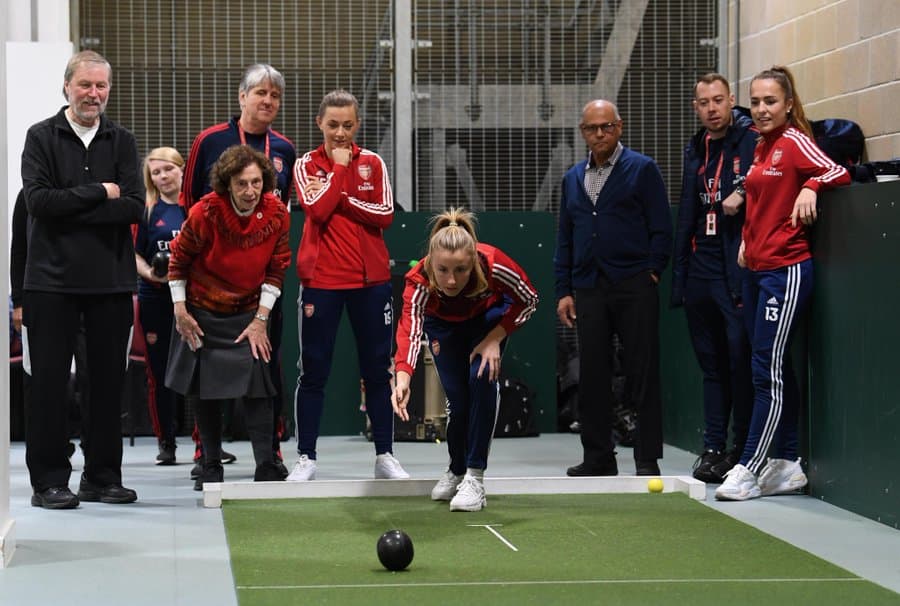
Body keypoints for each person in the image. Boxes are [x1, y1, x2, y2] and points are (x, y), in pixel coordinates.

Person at [715, 66, 850, 501]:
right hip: (756, 269)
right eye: (755, 101)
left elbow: (838, 171)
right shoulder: (760, 145)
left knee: (765, 371)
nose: (761, 109)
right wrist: (748, 240)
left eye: (770, 101)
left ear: (788, 104)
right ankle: (788, 463)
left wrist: (812, 185)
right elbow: (760, 201)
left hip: (785, 271)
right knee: (772, 367)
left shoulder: (793, 141)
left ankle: (749, 467)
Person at [20, 50, 144, 508]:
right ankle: (49, 482)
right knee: (49, 387)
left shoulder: (122, 141)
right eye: (85, 85)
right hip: (49, 285)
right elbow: (38, 203)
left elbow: (134, 207)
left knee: (107, 386)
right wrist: (99, 193)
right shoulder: (40, 137)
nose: (94, 94)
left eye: (101, 86)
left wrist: (72, 204)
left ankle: (102, 477)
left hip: (110, 284)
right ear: (67, 86)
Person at [288, 89, 408, 481]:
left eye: (348, 125)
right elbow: (316, 209)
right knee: (313, 371)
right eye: (333, 125)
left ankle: (385, 455)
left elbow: (385, 214)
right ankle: (306, 457)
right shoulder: (306, 164)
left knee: (377, 371)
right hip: (321, 282)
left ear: (357, 125)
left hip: (370, 282)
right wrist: (340, 175)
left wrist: (340, 196)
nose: (341, 133)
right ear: (319, 124)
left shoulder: (373, 161)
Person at [183, 63, 297, 477]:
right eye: (260, 93)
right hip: (209, 286)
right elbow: (189, 203)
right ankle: (205, 454)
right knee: (205, 372)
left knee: (265, 365)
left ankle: (270, 453)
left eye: (275, 95)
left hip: (261, 286)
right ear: (242, 96)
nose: (268, 101)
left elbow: (281, 210)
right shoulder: (210, 140)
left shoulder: (283, 148)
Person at [555, 99, 673, 477]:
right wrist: (564, 290)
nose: (600, 134)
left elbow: (661, 227)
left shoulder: (642, 169)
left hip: (634, 284)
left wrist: (653, 271)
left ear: (619, 127)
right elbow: (565, 239)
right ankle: (598, 457)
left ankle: (646, 458)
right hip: (588, 288)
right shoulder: (573, 179)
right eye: (592, 128)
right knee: (592, 374)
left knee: (642, 371)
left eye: (607, 126)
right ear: (583, 132)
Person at [391, 208, 539, 511]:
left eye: (461, 270)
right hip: (443, 327)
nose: (450, 280)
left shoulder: (494, 263)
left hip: (486, 323)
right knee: (458, 402)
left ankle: (475, 477)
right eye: (443, 269)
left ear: (473, 262)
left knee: (481, 379)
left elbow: (529, 300)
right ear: (431, 262)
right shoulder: (419, 280)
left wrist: (495, 337)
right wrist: (403, 377)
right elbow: (410, 329)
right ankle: (456, 470)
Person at [165, 145, 291, 490]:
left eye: (256, 182)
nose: (250, 191)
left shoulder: (278, 213)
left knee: (259, 390)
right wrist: (180, 310)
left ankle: (266, 464)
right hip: (202, 310)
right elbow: (178, 263)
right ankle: (210, 465)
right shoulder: (204, 212)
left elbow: (277, 269)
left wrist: (261, 320)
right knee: (206, 391)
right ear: (227, 184)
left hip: (249, 314)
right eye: (241, 184)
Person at [671, 74, 757, 483]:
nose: (712, 109)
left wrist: (744, 190)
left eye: (719, 100)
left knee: (740, 362)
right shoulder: (695, 147)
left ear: (731, 100)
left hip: (734, 270)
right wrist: (681, 276)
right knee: (711, 366)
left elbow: (767, 182)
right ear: (696, 107)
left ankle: (742, 449)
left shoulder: (750, 140)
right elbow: (688, 211)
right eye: (704, 102)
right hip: (699, 269)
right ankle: (713, 447)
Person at [134, 147, 188, 465]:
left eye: (168, 169)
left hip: (193, 300)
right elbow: (134, 255)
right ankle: (166, 442)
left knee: (200, 370)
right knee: (159, 372)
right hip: (156, 299)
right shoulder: (147, 211)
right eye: (156, 173)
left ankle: (206, 444)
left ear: (181, 169)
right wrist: (153, 274)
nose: (163, 176)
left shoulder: (195, 207)